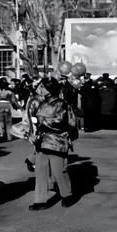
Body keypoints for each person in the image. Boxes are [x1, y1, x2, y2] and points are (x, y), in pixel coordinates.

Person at [29, 78, 78, 210]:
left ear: (49, 89)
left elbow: (68, 123)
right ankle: (40, 200)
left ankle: (67, 195)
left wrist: (44, 124)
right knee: (40, 171)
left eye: (43, 87)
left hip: (57, 141)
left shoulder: (62, 104)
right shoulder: (40, 103)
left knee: (59, 171)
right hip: (42, 141)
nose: (40, 89)